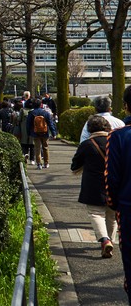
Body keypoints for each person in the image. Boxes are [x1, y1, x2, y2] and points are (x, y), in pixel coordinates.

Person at [71, 115, 115, 258]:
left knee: (96, 213)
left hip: (93, 185)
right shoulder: (115, 141)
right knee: (112, 215)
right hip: (114, 183)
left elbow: (74, 166)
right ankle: (111, 241)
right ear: (107, 127)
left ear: (90, 129)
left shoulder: (86, 144)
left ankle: (104, 240)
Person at [106, 84, 131, 301]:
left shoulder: (118, 136)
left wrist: (114, 204)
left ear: (125, 106)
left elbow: (111, 177)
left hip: (128, 207)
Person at [27, 98, 55, 169]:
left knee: (37, 148)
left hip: (35, 133)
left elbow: (28, 125)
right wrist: (53, 133)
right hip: (45, 133)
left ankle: (39, 163)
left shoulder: (31, 113)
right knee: (45, 148)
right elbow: (50, 124)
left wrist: (28, 133)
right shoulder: (46, 113)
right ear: (41, 104)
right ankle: (46, 163)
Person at [14, 99, 34, 164]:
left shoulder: (22, 110)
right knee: (32, 144)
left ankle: (25, 155)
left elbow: (19, 119)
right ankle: (32, 159)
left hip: (24, 128)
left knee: (24, 143)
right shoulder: (34, 110)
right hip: (32, 129)